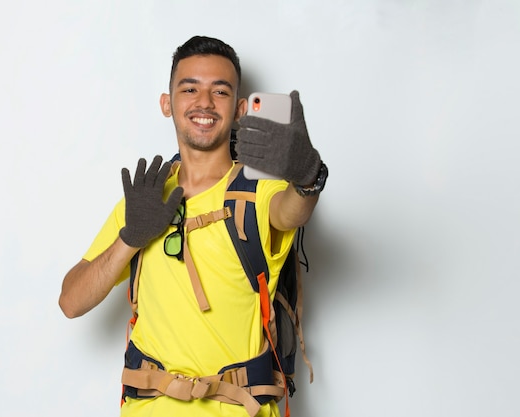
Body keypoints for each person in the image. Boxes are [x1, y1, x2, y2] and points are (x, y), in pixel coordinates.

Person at [59, 35, 327, 417]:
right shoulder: (146, 198)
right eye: (190, 88)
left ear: (237, 109)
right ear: (167, 104)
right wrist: (130, 239)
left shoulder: (258, 193)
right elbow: (71, 302)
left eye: (219, 91)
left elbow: (291, 211)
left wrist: (308, 178)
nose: (204, 103)